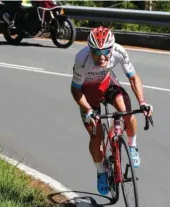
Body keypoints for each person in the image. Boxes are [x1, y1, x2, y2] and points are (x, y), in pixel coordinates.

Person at [70, 26, 153, 196]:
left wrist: (143, 102)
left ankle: (132, 146)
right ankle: (101, 171)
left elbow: (133, 77)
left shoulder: (119, 52)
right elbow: (76, 90)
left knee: (126, 112)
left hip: (107, 84)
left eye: (106, 52)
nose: (102, 57)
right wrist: (88, 110)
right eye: (96, 52)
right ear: (90, 50)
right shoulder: (81, 59)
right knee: (96, 134)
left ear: (112, 48)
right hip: (87, 93)